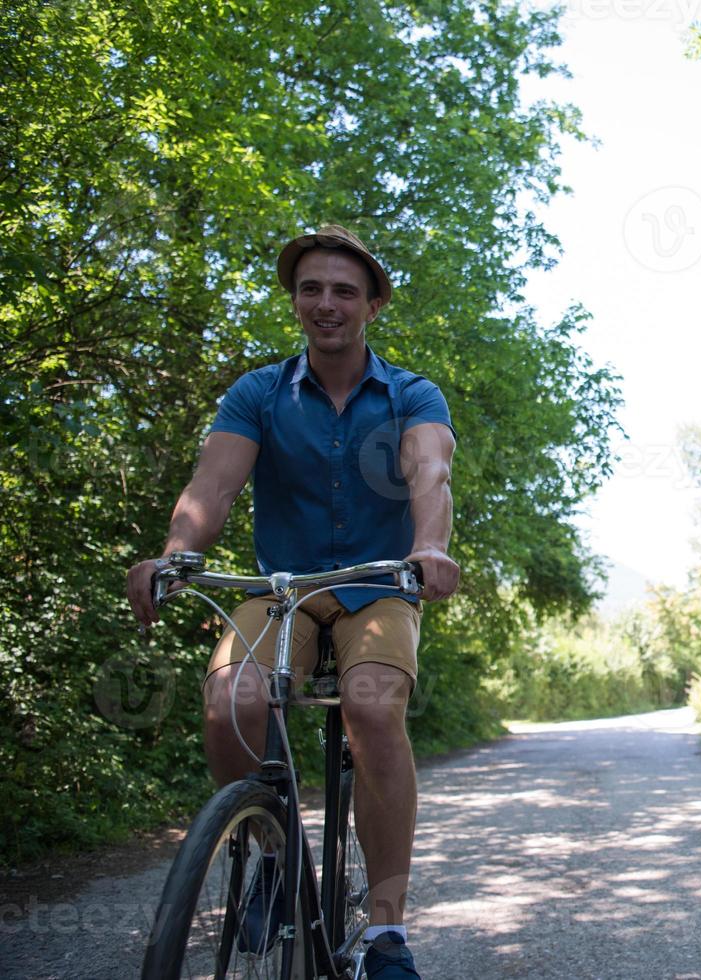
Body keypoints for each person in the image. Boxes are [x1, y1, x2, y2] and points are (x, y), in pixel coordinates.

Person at [125, 224, 459, 979]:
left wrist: (429, 547)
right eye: (311, 289)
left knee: (372, 706)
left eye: (344, 290)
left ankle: (384, 931)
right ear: (295, 300)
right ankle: (273, 859)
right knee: (229, 698)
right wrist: (176, 556)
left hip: (379, 585)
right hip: (283, 589)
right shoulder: (259, 393)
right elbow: (213, 486)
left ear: (372, 304)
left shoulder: (410, 393)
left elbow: (428, 473)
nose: (326, 303)